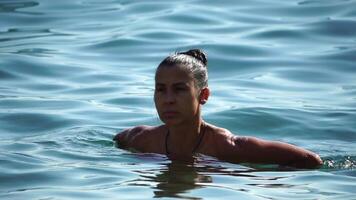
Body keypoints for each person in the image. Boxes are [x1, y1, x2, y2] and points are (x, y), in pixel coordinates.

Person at [113, 49, 323, 169]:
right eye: (161, 90)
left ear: (203, 96)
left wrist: (252, 176)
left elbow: (310, 160)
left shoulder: (228, 148)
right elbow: (118, 140)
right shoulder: (141, 139)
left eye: (179, 90)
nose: (168, 99)